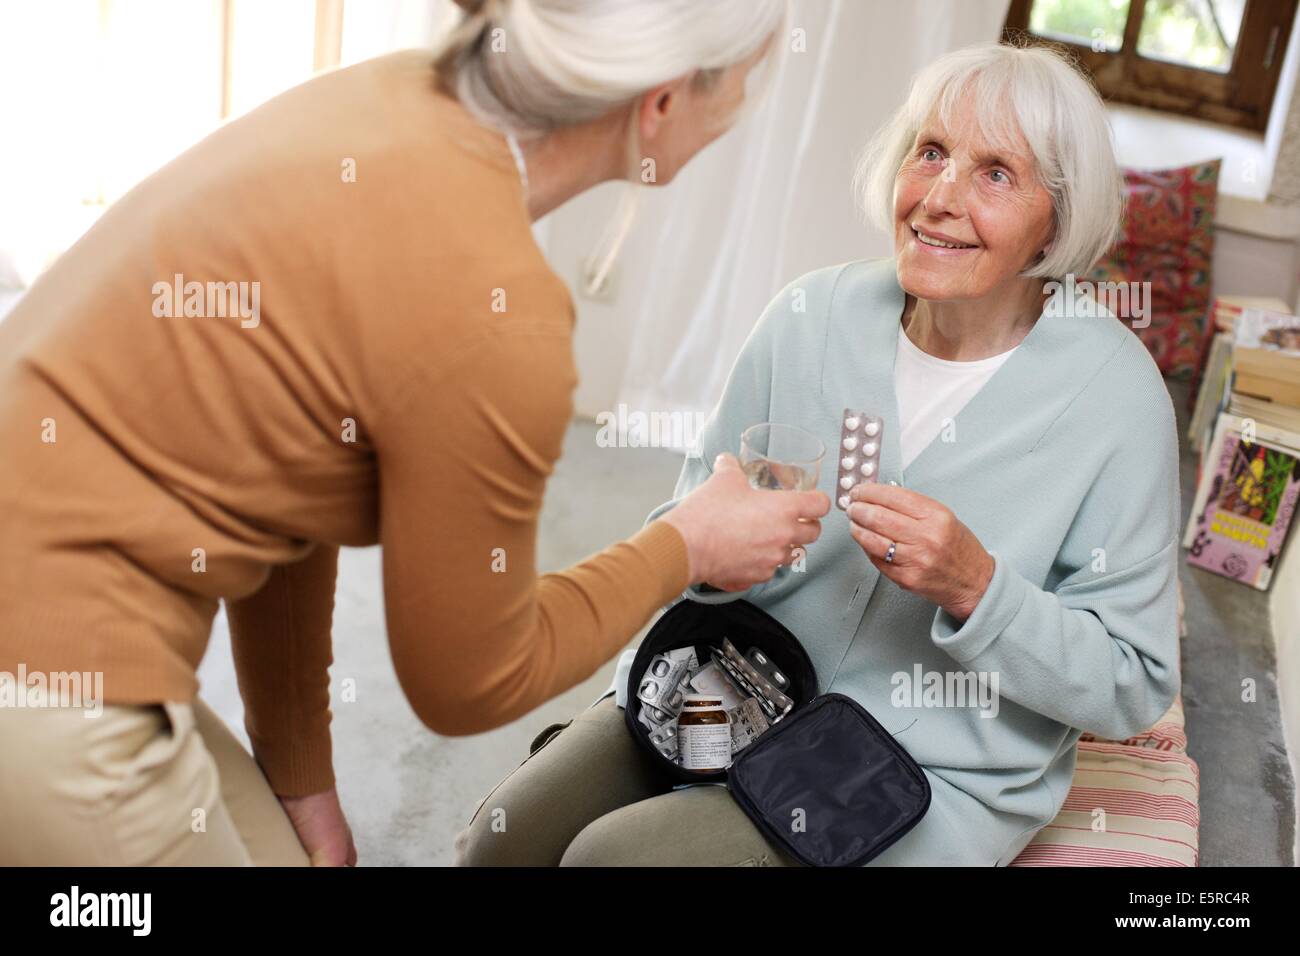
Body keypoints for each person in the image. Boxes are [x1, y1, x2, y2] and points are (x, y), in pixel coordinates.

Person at [0, 0, 830, 866]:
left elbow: (295, 467)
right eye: (740, 84)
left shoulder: (390, 94)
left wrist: (299, 775)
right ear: (660, 104)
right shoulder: (498, 314)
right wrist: (683, 545)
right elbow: (471, 679)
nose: (739, 110)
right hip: (49, 669)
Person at [455, 41, 1182, 867]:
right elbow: (688, 520)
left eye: (995, 174)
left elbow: (1131, 682)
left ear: (1059, 212)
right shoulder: (807, 316)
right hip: (731, 680)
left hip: (917, 768)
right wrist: (713, 556)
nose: (940, 198)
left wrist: (979, 592)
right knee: (503, 839)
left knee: (611, 860)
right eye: (932, 152)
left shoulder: (1115, 400)